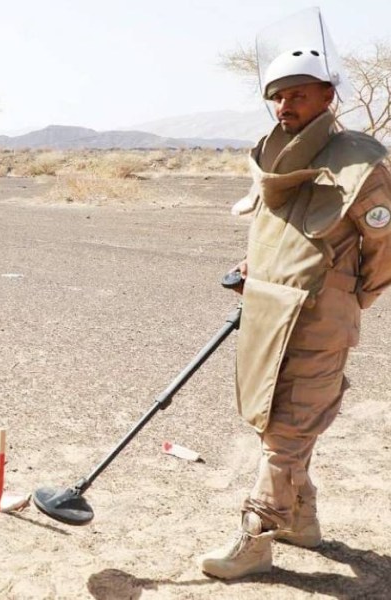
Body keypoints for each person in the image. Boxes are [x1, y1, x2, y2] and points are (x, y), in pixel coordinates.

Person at [198, 26, 391, 579]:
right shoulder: (274, 158)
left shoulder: (361, 162)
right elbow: (278, 230)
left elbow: (383, 250)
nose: (285, 104)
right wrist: (256, 268)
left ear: (329, 95)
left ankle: (256, 539)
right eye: (278, 95)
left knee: (287, 432)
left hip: (319, 318)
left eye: (299, 93)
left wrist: (345, 298)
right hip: (268, 308)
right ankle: (302, 521)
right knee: (276, 422)